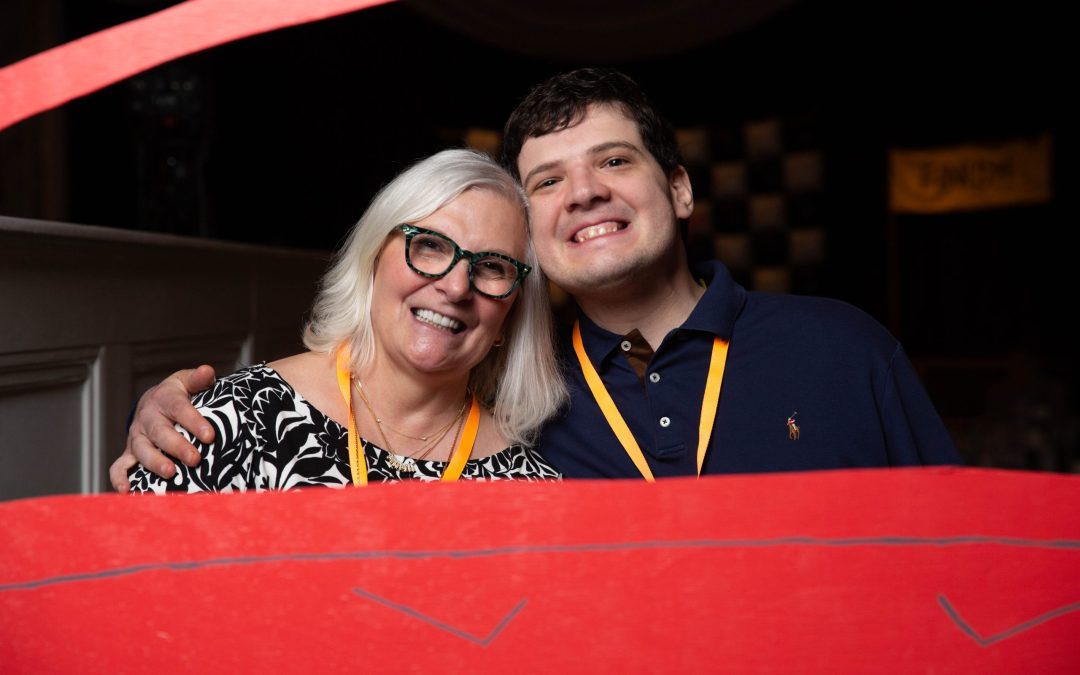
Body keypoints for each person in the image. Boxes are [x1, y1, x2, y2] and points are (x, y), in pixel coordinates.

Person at [112, 68, 959, 488]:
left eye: (614, 161)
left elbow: (964, 560)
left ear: (679, 188)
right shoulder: (526, 392)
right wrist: (168, 419)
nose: (583, 192)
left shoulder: (844, 349)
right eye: (549, 180)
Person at [126, 149, 566, 492]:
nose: (455, 288)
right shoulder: (231, 422)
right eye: (431, 245)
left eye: (492, 267)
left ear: (511, 313)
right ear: (373, 258)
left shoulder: (533, 489)